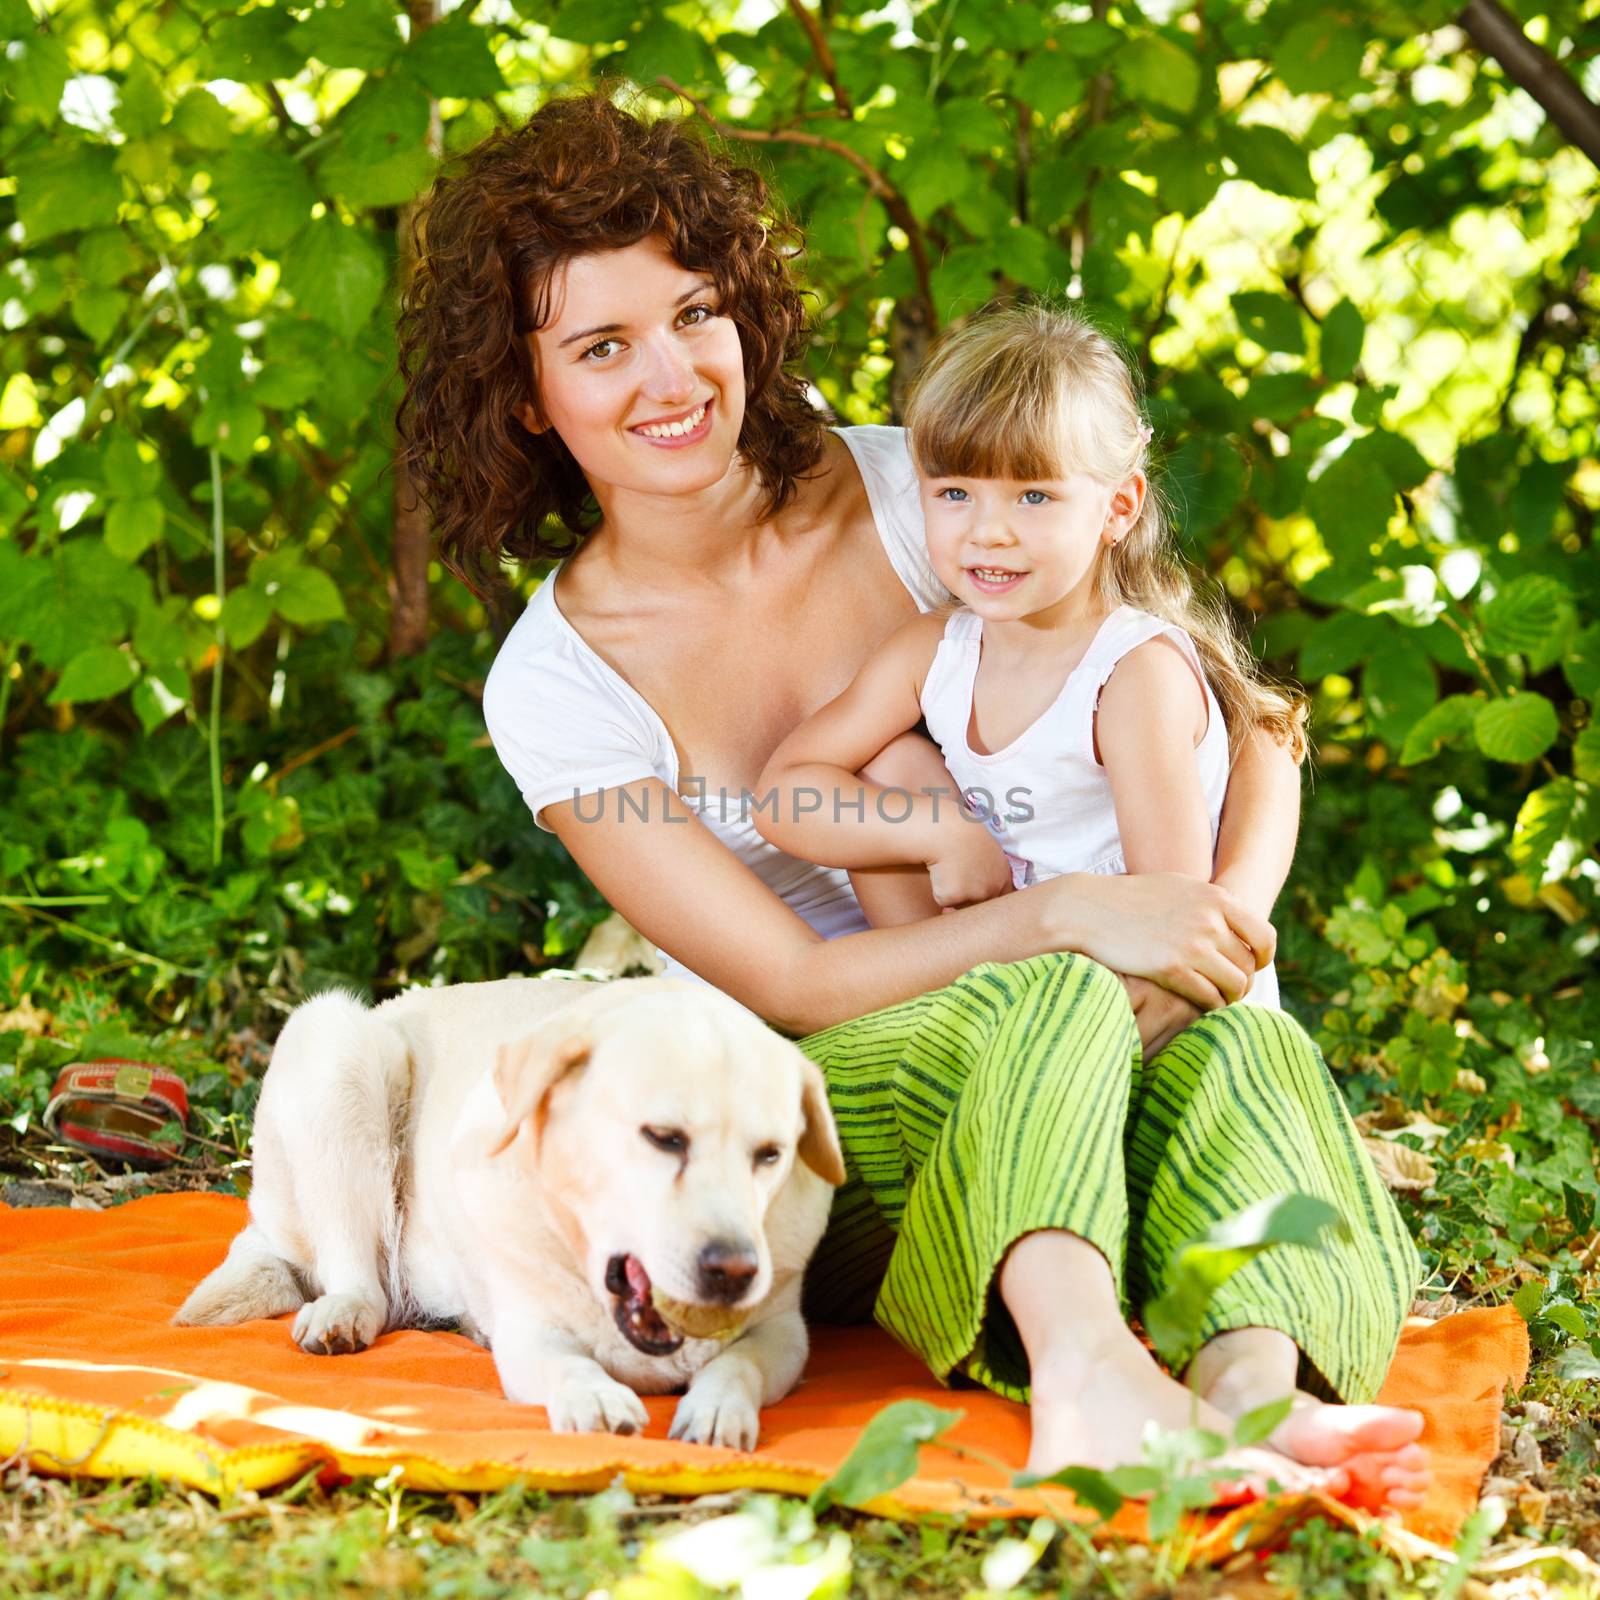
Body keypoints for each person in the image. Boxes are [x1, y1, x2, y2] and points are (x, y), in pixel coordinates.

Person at [397, 90, 1428, 1508]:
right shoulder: (558, 691)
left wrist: (1207, 940)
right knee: (1051, 986)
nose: (673, 374)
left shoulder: (934, 496)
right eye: (600, 345)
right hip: (847, 1124)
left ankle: (1253, 1397)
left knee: (1250, 1053)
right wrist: (1077, 916)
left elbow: (1254, 727)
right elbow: (800, 988)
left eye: (696, 313)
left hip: (1126, 1027)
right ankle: (1084, 1374)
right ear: (526, 397)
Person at [754, 302, 1290, 1020]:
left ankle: (982, 1047)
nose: (989, 533)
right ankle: (936, 1028)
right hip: (1014, 963)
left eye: (1034, 496)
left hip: (1154, 1005)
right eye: (954, 494)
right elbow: (784, 795)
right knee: (886, 766)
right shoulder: (934, 652)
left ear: (1118, 508)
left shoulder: (1131, 678)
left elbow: (1171, 918)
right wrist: (941, 832)